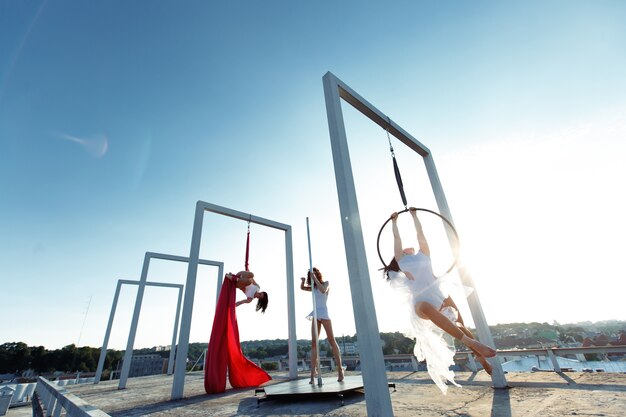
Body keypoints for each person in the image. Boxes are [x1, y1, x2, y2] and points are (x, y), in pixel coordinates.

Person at [385, 207, 496, 392]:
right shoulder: (401, 259)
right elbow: (397, 239)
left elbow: (420, 234)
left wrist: (415, 216)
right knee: (427, 308)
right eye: (404, 248)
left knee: (461, 326)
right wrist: (395, 221)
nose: (407, 246)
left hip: (438, 295)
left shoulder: (424, 253)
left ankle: (481, 358)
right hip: (421, 302)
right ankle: (472, 344)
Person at [300, 267, 345, 383]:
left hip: (324, 313)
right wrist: (303, 280)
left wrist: (314, 278)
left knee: (331, 340)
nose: (312, 276)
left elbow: (323, 290)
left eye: (313, 274)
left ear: (317, 274)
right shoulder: (313, 287)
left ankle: (340, 370)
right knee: (314, 342)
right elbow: (302, 288)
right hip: (316, 313)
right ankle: (312, 372)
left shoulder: (326, 283)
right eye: (310, 275)